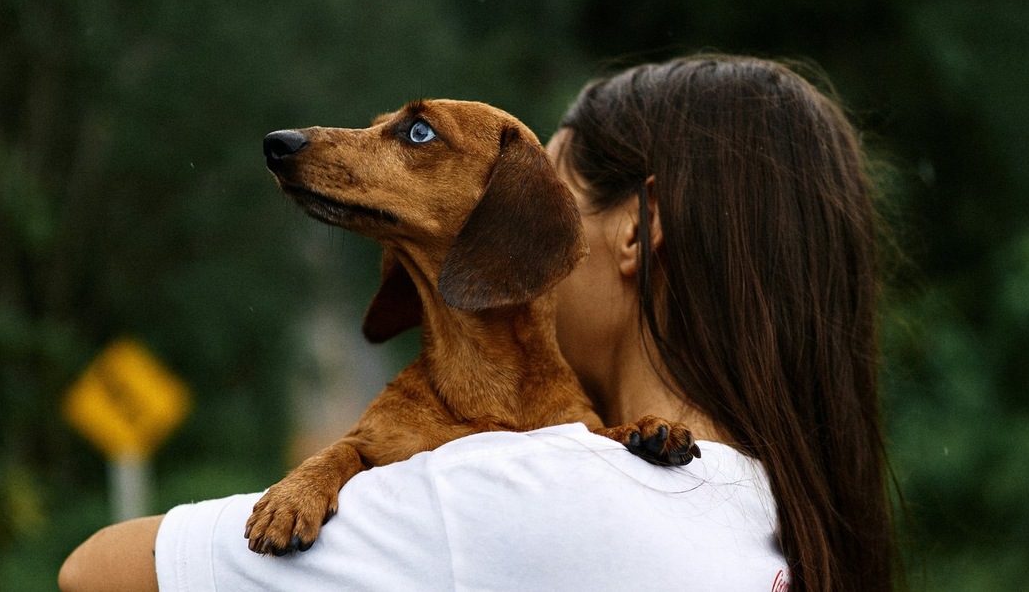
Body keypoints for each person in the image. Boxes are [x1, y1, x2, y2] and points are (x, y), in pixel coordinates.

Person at [59, 55, 896, 592]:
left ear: (639, 229)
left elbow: (93, 571)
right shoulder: (774, 513)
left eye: (554, 206)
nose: (539, 243)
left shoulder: (514, 490)